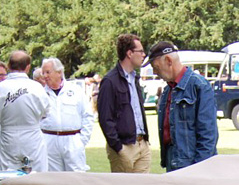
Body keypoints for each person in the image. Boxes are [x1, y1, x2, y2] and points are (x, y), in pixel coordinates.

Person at [145, 42, 218, 171]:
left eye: (156, 67)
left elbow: (208, 135)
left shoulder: (199, 86)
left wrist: (199, 168)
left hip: (193, 165)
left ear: (168, 60)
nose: (155, 72)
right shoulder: (168, 90)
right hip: (172, 161)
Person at [97, 34, 152, 173]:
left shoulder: (135, 79)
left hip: (142, 145)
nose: (143, 55)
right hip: (124, 147)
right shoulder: (110, 81)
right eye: (140, 51)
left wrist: (144, 143)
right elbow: (105, 118)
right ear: (129, 53)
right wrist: (118, 147)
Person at [0, 50, 51, 172]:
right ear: (28, 67)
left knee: (9, 175)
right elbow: (46, 111)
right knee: (36, 174)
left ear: (8, 66)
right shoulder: (36, 87)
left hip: (8, 137)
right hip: (32, 136)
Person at [40, 57, 94, 172]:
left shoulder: (75, 90)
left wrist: (81, 140)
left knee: (77, 177)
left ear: (59, 72)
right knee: (53, 179)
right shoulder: (41, 93)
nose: (45, 76)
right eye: (43, 72)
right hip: (49, 141)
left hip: (72, 140)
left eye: (48, 72)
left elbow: (88, 116)